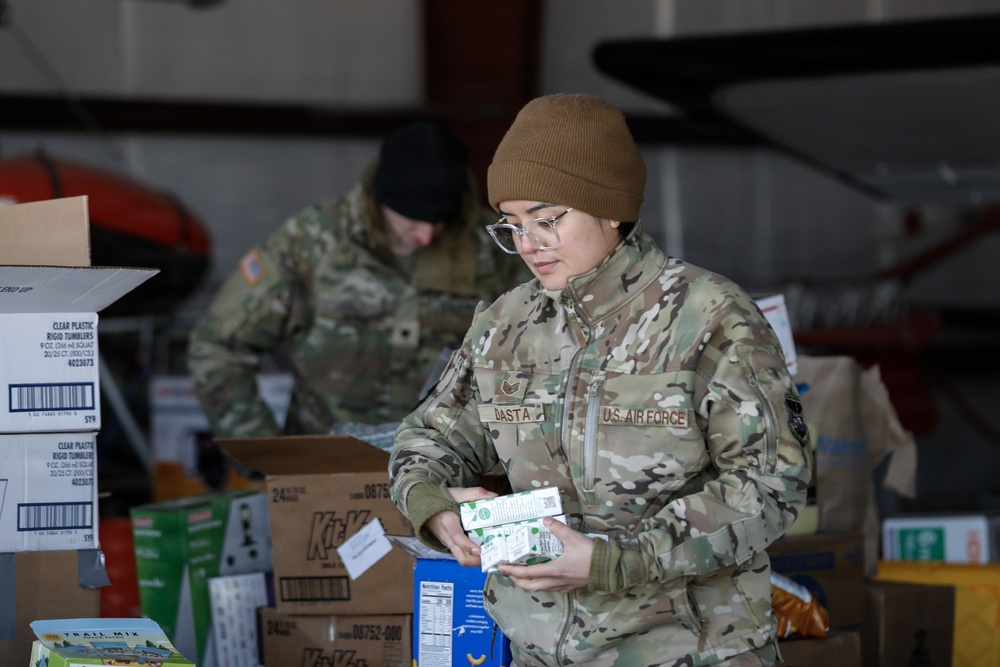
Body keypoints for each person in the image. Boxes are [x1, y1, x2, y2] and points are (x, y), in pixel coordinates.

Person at [388, 94, 813, 667]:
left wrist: (616, 562)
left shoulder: (709, 316)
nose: (528, 245)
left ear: (610, 208)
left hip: (691, 651)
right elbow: (428, 439)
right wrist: (434, 506)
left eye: (546, 219)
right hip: (538, 651)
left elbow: (772, 482)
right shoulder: (504, 326)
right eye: (510, 226)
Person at [187, 120, 527, 451]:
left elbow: (537, 352)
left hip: (450, 472)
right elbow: (218, 344)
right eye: (411, 221)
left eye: (438, 223)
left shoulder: (494, 248)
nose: (425, 236)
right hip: (326, 469)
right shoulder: (311, 242)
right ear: (381, 201)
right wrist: (264, 455)